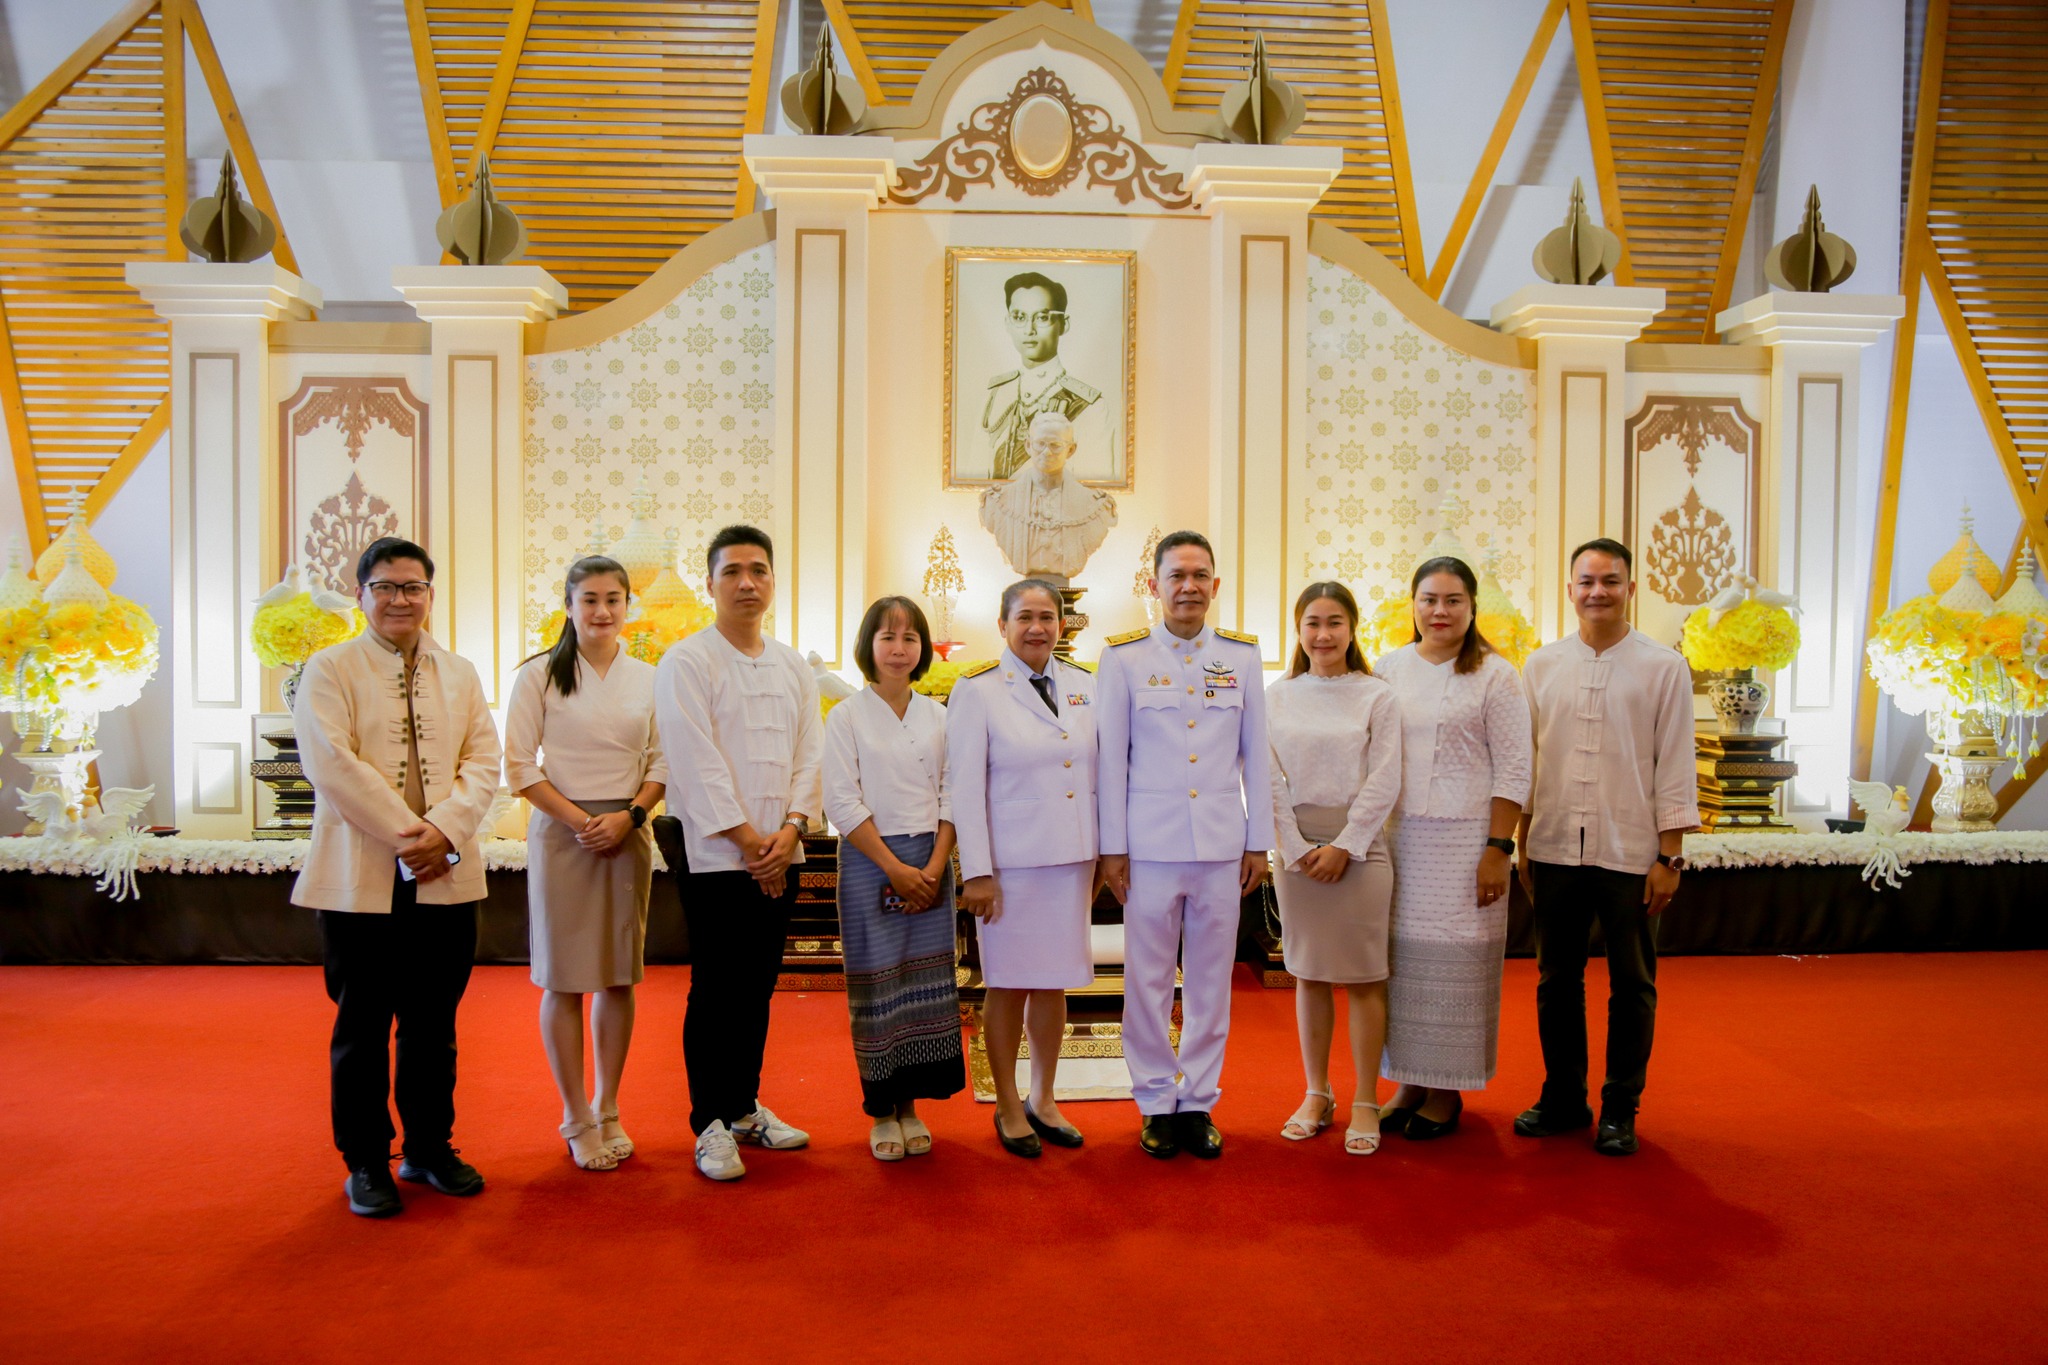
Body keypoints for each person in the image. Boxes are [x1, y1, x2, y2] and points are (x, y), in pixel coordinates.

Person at [291, 536, 501, 1218]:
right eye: (386, 586)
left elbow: (482, 761)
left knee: (434, 1023)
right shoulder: (329, 669)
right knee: (362, 1024)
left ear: (431, 595)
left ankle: (429, 1147)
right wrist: (413, 838)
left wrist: (446, 829)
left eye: (412, 587)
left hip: (445, 874)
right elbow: (332, 763)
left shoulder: (462, 672)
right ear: (362, 594)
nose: (400, 599)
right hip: (364, 878)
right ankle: (365, 1160)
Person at [1515, 538, 1698, 1157]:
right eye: (1586, 581)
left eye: (1610, 581)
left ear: (1630, 589)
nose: (1598, 592)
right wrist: (1521, 842)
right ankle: (1564, 1097)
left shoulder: (1663, 666)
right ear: (1569, 590)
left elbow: (1674, 764)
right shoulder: (1540, 667)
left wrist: (1669, 857)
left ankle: (1621, 1106)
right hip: (1555, 846)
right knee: (1555, 979)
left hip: (1631, 852)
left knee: (1634, 983)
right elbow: (1528, 765)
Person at [653, 525, 822, 1182]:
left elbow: (812, 751)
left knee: (758, 985)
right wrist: (752, 840)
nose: (747, 582)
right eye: (733, 571)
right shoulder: (687, 661)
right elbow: (695, 761)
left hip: (784, 848)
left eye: (759, 570)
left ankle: (746, 1105)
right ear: (710, 582)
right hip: (722, 856)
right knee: (717, 985)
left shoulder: (792, 665)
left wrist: (794, 827)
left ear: (773, 580)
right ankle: (710, 1121)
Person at [1097, 531, 1273, 1159]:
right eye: (1176, 575)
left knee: (1208, 981)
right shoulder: (1122, 659)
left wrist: (1260, 843)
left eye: (1200, 575)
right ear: (1155, 585)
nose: (1189, 587)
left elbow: (1257, 758)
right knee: (1145, 979)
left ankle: (1196, 1101)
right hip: (1150, 847)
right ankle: (1152, 1100)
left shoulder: (1243, 657)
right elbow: (1109, 760)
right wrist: (1111, 849)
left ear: (1215, 585)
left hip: (1223, 848)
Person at [504, 556, 668, 1172]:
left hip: (628, 833)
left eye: (613, 600)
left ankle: (609, 1105)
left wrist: (629, 817)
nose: (601, 612)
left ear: (629, 606)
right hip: (563, 835)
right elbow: (519, 767)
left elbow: (662, 762)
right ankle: (575, 1114)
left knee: (619, 976)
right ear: (568, 604)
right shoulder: (540, 676)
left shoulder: (650, 678)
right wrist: (580, 822)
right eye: (589, 599)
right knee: (565, 978)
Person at [1374, 557, 1531, 1142]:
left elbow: (1516, 768)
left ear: (1471, 608)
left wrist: (1498, 848)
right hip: (1400, 838)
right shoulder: (1389, 668)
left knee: (1457, 966)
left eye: (1453, 601)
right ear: (1412, 605)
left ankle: (1446, 1091)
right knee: (1402, 964)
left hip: (1469, 841)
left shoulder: (1495, 675)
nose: (1439, 611)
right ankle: (1408, 1081)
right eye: (1429, 600)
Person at [946, 578, 1099, 1158]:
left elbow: (1096, 774)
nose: (1037, 627)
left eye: (1047, 617)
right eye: (1024, 617)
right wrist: (976, 872)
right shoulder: (978, 690)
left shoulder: (1086, 685)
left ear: (1061, 625)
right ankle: (1008, 1101)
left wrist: (1103, 854)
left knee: (1053, 981)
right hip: (1010, 866)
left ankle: (1044, 1096)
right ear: (1003, 624)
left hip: (1070, 860)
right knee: (1008, 984)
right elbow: (965, 789)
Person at [823, 596, 967, 1161]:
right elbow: (840, 798)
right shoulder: (846, 716)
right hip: (870, 861)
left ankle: (913, 1107)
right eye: (887, 636)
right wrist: (894, 867)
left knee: (925, 984)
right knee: (880, 983)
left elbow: (954, 790)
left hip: (932, 861)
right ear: (869, 645)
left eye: (910, 638)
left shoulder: (939, 714)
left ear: (922, 649)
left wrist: (934, 866)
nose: (899, 648)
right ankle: (883, 1110)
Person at [1266, 582, 1401, 1155]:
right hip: (1296, 848)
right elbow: (1265, 777)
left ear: (1352, 628)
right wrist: (1293, 847)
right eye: (1312, 623)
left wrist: (1347, 843)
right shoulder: (1277, 696)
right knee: (1311, 973)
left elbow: (1387, 776)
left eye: (1335, 622)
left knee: (1366, 975)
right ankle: (1316, 1093)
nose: (1323, 635)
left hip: (1361, 847)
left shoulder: (1378, 695)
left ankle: (1366, 1098)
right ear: (1298, 630)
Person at [982, 271, 1119, 482]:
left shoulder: (1090, 406)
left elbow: (1095, 492)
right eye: (1019, 317)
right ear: (1008, 323)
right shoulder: (995, 394)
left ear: (1064, 324)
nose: (1029, 329)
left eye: (1043, 317)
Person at [977, 410, 1119, 580]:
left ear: (1071, 450)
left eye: (1055, 445)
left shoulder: (1096, 506)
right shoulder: (998, 502)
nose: (1046, 452)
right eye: (1040, 444)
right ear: (1028, 445)